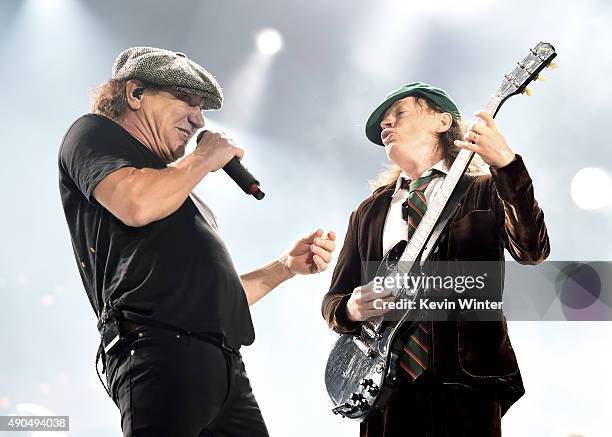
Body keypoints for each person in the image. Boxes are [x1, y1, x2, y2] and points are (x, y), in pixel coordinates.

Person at [58, 46, 336, 437]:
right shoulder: (92, 133)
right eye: (187, 101)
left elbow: (212, 297)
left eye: (202, 107)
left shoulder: (180, 193)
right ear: (135, 94)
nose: (198, 119)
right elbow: (135, 204)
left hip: (222, 364)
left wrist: (284, 268)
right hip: (159, 351)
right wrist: (204, 158)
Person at [322, 82, 550, 437]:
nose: (386, 125)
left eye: (399, 113)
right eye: (383, 122)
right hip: (383, 388)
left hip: (465, 385)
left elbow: (532, 250)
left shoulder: (486, 189)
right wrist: (350, 308)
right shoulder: (369, 211)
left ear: (442, 121)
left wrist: (507, 165)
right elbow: (334, 301)